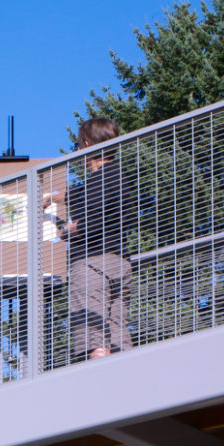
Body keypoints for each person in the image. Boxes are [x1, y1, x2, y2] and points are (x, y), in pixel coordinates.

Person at [47, 116, 136, 361]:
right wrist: (52, 197)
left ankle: (98, 382)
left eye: (78, 146)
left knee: (92, 333)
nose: (76, 152)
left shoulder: (100, 179)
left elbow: (93, 221)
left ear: (87, 146)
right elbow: (82, 195)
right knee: (117, 331)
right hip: (120, 263)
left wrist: (67, 229)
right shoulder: (116, 176)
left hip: (92, 264)